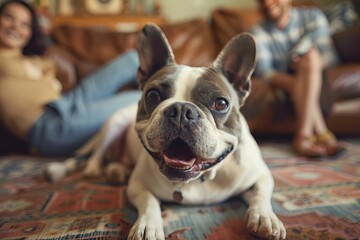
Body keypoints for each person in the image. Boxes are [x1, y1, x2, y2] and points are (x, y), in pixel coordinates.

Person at [0, 0, 141, 156]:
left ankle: (170, 84)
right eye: (9, 18)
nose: (15, 27)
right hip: (49, 127)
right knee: (141, 99)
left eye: (25, 24)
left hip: (65, 104)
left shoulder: (33, 59)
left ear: (30, 32)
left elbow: (49, 66)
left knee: (132, 59)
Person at [250, 0, 346, 157]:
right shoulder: (258, 31)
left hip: (320, 81)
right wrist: (299, 82)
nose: (267, 3)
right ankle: (319, 134)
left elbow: (329, 57)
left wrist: (307, 65)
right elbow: (265, 73)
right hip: (286, 84)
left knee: (311, 58)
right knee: (306, 73)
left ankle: (304, 136)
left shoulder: (313, 16)